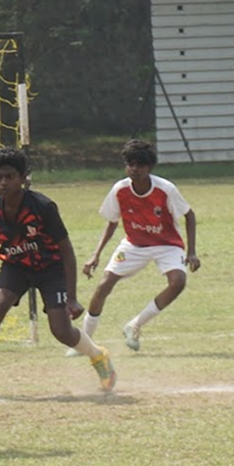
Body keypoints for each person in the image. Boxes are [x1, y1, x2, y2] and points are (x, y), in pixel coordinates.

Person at [0, 146, 116, 393]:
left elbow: (67, 251)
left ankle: (98, 355)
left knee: (61, 331)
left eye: (9, 176)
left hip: (51, 269)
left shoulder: (43, 206)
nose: (3, 182)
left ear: (23, 178)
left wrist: (72, 297)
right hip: (16, 267)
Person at [77, 138, 200, 352]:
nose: (134, 169)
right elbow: (112, 222)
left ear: (149, 167)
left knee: (178, 281)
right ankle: (83, 341)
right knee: (104, 284)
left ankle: (135, 325)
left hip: (167, 244)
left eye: (139, 165)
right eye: (130, 164)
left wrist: (191, 252)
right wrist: (95, 255)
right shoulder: (119, 190)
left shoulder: (165, 189)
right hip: (134, 244)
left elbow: (189, 216)